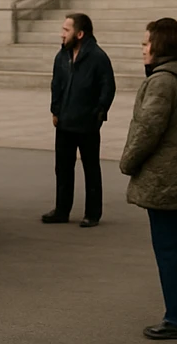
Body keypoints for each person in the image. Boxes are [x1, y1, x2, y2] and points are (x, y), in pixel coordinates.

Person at [120, 18, 177, 341]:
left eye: (147, 43)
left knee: (170, 250)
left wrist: (127, 162)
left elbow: (147, 128)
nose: (143, 49)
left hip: (165, 180)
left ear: (161, 47)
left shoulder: (161, 82)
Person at [42, 12, 115, 227]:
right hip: (64, 122)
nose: (61, 34)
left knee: (91, 169)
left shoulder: (98, 57)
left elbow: (108, 87)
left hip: (87, 124)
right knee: (63, 168)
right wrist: (55, 111)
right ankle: (62, 210)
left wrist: (99, 114)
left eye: (66, 30)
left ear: (80, 34)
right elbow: (56, 85)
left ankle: (92, 214)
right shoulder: (61, 56)